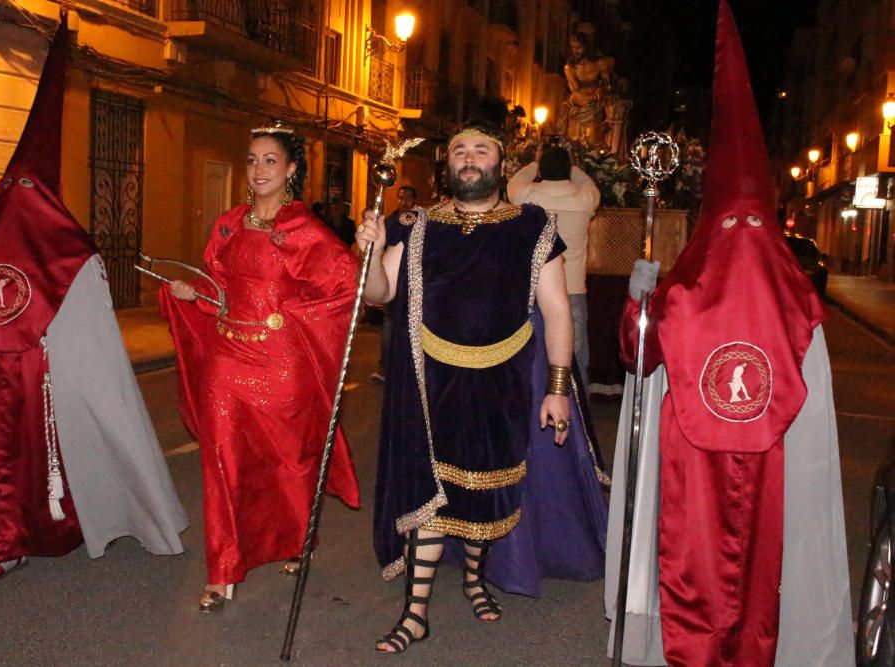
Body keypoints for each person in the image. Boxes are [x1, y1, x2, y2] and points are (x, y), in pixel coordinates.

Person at [604, 3, 853, 665]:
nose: (741, 238)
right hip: (686, 459)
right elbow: (639, 357)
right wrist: (640, 304)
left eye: (753, 222)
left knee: (759, 566)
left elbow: (813, 392)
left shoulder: (794, 298)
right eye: (730, 222)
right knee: (691, 561)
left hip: (771, 466)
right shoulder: (682, 288)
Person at [0, 17, 187, 581]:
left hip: (36, 377)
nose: (19, 199)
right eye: (13, 188)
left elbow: (80, 305)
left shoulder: (64, 250)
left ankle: (51, 529)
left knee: (44, 463)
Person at [357, 122, 609, 654]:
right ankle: (415, 613)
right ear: (447, 165)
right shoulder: (417, 223)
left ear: (501, 162)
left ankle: (474, 577)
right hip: (431, 381)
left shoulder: (532, 226)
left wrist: (558, 388)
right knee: (432, 493)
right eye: (459, 151)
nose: (469, 158)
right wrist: (372, 253)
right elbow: (381, 294)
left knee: (486, 489)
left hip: (504, 380)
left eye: (481, 150)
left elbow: (559, 313)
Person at [161, 122, 361, 612]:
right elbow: (219, 291)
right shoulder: (228, 225)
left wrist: (292, 317)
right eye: (252, 160)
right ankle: (223, 571)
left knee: (289, 463)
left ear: (291, 169)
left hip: (281, 365)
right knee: (223, 461)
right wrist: (193, 293)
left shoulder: (305, 231)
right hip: (228, 360)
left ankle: (296, 539)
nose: (259, 169)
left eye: (270, 160)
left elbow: (346, 288)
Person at [508, 145, 600, 388]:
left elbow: (514, 181)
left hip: (535, 290)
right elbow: (588, 182)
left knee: (532, 358)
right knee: (575, 360)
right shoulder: (584, 198)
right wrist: (573, 165)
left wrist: (535, 163)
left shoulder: (527, 196)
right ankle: (577, 419)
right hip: (572, 289)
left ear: (541, 170)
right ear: (569, 170)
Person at [370, 184, 417, 384]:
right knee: (389, 328)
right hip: (392, 281)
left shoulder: (420, 221)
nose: (402, 202)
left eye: (406, 198)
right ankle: (385, 368)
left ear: (414, 200)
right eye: (400, 197)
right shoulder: (391, 221)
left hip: (412, 284)